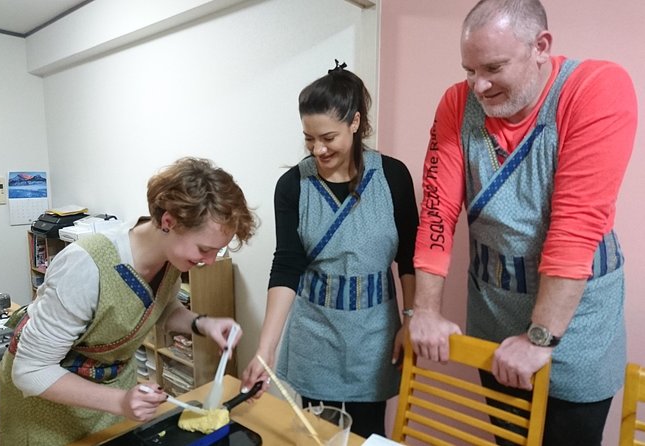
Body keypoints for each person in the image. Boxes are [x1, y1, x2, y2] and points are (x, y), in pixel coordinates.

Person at [408, 0, 637, 445]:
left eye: (493, 67)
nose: (479, 85)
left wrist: (539, 338)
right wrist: (426, 309)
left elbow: (574, 228)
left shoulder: (595, 89)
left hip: (578, 321)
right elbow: (437, 210)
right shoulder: (457, 103)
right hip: (494, 310)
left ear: (541, 47)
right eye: (469, 70)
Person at [0, 157, 257, 445]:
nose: (209, 262)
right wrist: (121, 402)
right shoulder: (86, 266)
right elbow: (31, 371)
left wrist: (201, 324)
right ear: (169, 222)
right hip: (48, 402)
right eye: (204, 249)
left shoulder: (171, 258)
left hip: (110, 391)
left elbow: (156, 308)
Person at [240, 61, 419, 438]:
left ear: (354, 123)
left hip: (375, 339)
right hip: (314, 339)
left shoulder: (392, 177)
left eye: (328, 137)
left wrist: (410, 318)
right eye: (309, 138)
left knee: (368, 434)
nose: (318, 149)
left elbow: (409, 256)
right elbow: (287, 264)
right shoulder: (293, 186)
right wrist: (265, 348)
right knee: (317, 435)